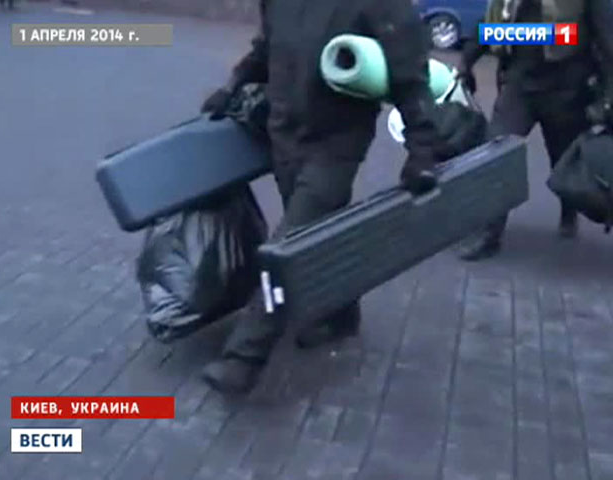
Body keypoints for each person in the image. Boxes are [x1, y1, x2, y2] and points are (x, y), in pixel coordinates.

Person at [199, 0, 448, 394]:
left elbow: (410, 77)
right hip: (284, 134)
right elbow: (266, 49)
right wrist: (231, 87)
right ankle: (341, 312)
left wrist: (422, 151)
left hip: (337, 143)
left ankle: (244, 356)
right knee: (318, 230)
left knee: (288, 245)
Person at [455, 0, 613, 261]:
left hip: (567, 91)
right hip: (519, 86)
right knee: (496, 154)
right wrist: (466, 61)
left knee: (562, 159)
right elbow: (492, 25)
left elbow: (606, 38)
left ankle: (568, 210)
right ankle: (489, 233)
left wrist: (608, 94)